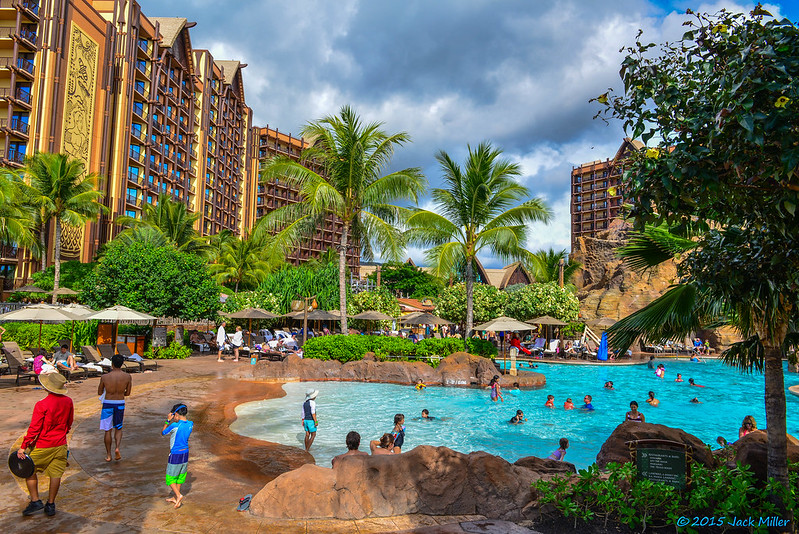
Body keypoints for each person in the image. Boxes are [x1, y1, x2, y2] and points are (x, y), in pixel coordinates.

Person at [17, 373, 74, 517]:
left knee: (28, 470)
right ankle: (50, 504)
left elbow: (34, 428)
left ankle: (35, 500)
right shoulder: (68, 401)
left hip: (43, 444)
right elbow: (69, 423)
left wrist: (24, 446)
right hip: (60, 444)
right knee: (56, 474)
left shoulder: (42, 404)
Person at [98, 354, 132, 462]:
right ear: (122, 364)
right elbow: (128, 393)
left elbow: (99, 392)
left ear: (112, 364)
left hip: (108, 403)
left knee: (107, 430)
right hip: (120, 402)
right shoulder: (127, 377)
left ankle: (108, 455)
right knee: (118, 427)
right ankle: (117, 448)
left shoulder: (105, 377)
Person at [161, 403, 193, 509]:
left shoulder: (175, 425)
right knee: (179, 477)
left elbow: (163, 432)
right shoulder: (190, 424)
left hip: (175, 454)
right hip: (185, 453)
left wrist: (168, 420)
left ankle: (179, 495)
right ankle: (176, 498)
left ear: (176, 415)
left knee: (170, 479)